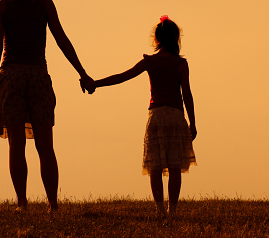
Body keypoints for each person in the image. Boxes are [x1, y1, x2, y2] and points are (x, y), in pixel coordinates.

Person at [0, 0, 92, 211]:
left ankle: (22, 203)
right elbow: (62, 40)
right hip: (38, 77)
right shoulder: (44, 4)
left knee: (16, 145)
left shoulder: (1, 6)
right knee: (45, 146)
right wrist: (82, 72)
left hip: (11, 77)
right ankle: (53, 204)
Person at [82, 15, 197, 216]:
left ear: (157, 39)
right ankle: (173, 210)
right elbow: (186, 94)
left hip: (157, 116)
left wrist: (96, 83)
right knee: (175, 166)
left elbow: (122, 77)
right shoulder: (181, 64)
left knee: (155, 165)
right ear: (176, 38)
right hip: (176, 117)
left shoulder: (150, 62)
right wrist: (193, 122)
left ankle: (160, 210)